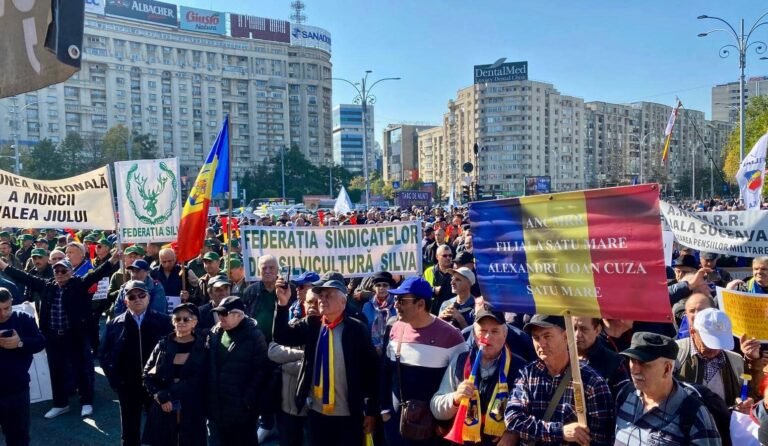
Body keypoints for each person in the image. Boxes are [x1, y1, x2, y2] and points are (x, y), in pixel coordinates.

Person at [0, 250, 119, 419]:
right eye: (57, 271)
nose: (60, 274)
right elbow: (24, 277)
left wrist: (113, 259)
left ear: (71, 272)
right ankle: (60, 404)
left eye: (64, 270)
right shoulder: (47, 285)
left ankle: (86, 402)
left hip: (75, 336)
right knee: (56, 371)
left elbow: (97, 274)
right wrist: (3, 266)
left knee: (81, 369)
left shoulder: (79, 284)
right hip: (52, 337)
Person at [273, 276, 379, 446]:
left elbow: (372, 372)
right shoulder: (312, 325)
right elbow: (281, 336)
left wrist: (372, 410)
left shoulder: (356, 329)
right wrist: (282, 304)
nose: (322, 299)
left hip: (348, 414)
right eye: (320, 296)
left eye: (328, 295)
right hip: (317, 413)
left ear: (343, 301)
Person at [381, 276, 468, 445]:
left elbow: (459, 382)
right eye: (396, 299)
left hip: (431, 431)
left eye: (402, 300)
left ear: (421, 304)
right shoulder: (394, 328)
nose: (396, 305)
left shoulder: (451, 336)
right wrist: (384, 410)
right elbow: (385, 372)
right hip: (396, 426)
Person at [505, 315, 615, 446]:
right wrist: (560, 431)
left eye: (547, 336)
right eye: (536, 338)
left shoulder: (592, 382)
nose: (541, 343)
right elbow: (513, 419)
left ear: (566, 337)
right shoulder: (528, 373)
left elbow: (601, 439)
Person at [431, 304, 526, 446]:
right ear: (474, 335)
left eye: (495, 331)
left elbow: (528, 413)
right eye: (482, 331)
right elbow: (436, 408)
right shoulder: (460, 361)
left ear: (505, 335)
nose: (488, 337)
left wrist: (512, 433)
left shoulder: (520, 367)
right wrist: (455, 398)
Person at [99, 280, 173, 446]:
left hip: (156, 385)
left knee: (160, 429)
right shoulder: (114, 324)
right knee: (129, 429)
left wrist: (165, 380)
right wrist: (116, 380)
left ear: (148, 297)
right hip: (127, 385)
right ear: (126, 301)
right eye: (132, 296)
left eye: (141, 295)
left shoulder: (164, 321)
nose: (137, 299)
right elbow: (104, 355)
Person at [614, 332, 722, 445]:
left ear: (667, 369)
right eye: (632, 360)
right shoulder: (625, 395)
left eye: (643, 363)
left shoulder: (694, 414)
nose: (634, 370)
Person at [205, 296, 269, 446]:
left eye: (225, 314)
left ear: (239, 315)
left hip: (243, 412)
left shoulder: (254, 336)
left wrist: (248, 400)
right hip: (217, 409)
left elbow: (261, 372)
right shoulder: (214, 333)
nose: (221, 317)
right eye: (219, 313)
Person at [142, 303, 207, 446]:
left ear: (194, 322)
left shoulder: (203, 347)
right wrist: (158, 395)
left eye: (186, 319)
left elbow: (197, 379)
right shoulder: (163, 344)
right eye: (178, 319)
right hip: (164, 407)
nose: (181, 322)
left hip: (191, 406)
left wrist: (167, 394)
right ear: (173, 322)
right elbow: (147, 374)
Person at [675, 308, 755, 407]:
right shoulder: (674, 354)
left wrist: (748, 403)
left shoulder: (737, 361)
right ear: (692, 332)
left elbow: (751, 393)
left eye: (720, 342)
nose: (715, 349)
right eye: (709, 342)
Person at [268, 290, 318, 446]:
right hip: (288, 406)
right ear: (303, 303)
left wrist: (286, 365)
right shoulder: (294, 325)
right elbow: (273, 351)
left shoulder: (326, 332)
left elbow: (318, 366)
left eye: (317, 303)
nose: (313, 306)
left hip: (314, 406)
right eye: (310, 302)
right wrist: (305, 355)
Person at [0, 287, 45, 446]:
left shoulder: (23, 318)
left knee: (18, 437)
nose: (3, 314)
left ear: (12, 302)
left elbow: (40, 343)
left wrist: (20, 343)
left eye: (6, 308)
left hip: (16, 388)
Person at [572, 317, 629, 396]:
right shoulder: (561, 357)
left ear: (597, 330)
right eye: (573, 328)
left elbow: (624, 401)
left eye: (584, 329)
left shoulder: (614, 363)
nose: (577, 334)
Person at [361, 271, 397, 354]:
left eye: (385, 285)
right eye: (378, 285)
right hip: (372, 351)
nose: (381, 288)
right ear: (374, 288)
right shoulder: (367, 306)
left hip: (393, 351)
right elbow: (364, 331)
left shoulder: (397, 305)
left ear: (390, 287)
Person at [424, 244, 455, 314]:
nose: (448, 258)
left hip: (451, 312)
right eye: (444, 256)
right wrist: (433, 290)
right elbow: (422, 290)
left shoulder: (456, 272)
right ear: (437, 257)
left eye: (450, 255)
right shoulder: (428, 271)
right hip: (433, 313)